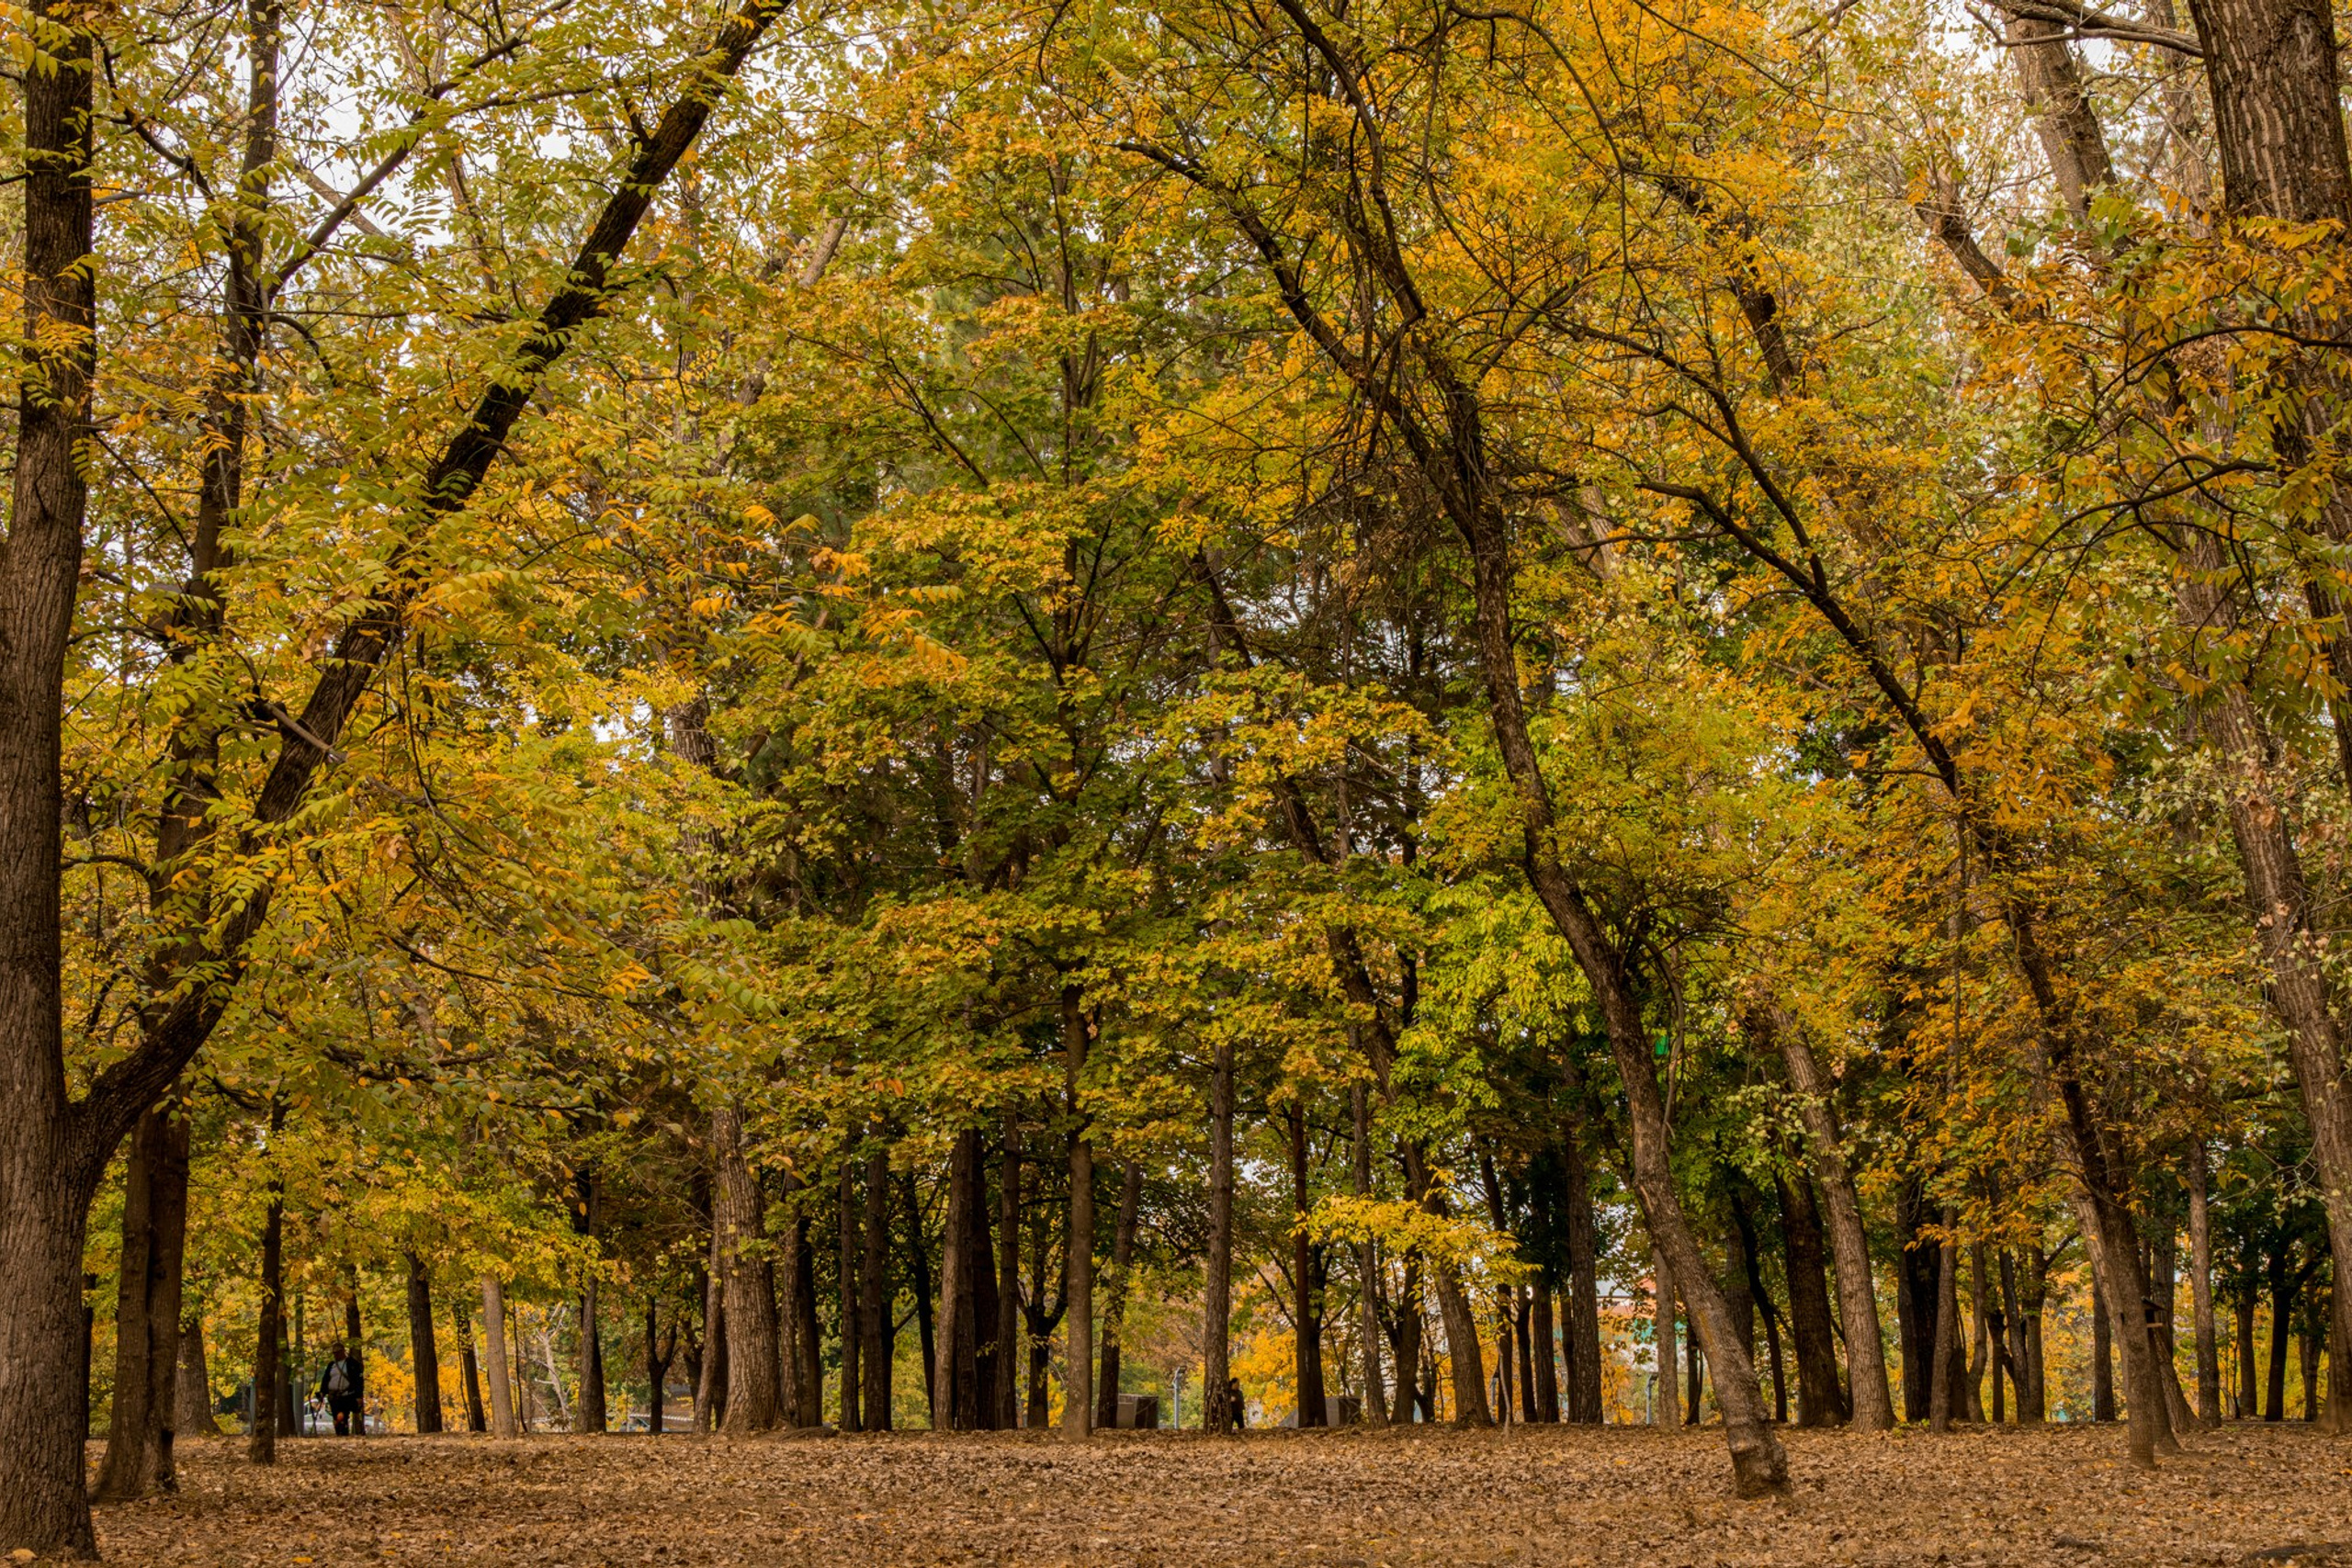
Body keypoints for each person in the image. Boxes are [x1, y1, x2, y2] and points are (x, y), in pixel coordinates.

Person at [317, 1343, 365, 1436]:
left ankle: (343, 1433)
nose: (336, 1355)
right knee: (336, 1418)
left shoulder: (351, 1363)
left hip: (346, 1395)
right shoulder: (331, 1365)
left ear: (343, 1351)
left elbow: (358, 1381)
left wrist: (359, 1396)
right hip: (333, 1396)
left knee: (342, 1416)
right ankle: (339, 1434)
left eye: (338, 1352)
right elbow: (326, 1379)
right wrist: (322, 1392)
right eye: (334, 1353)